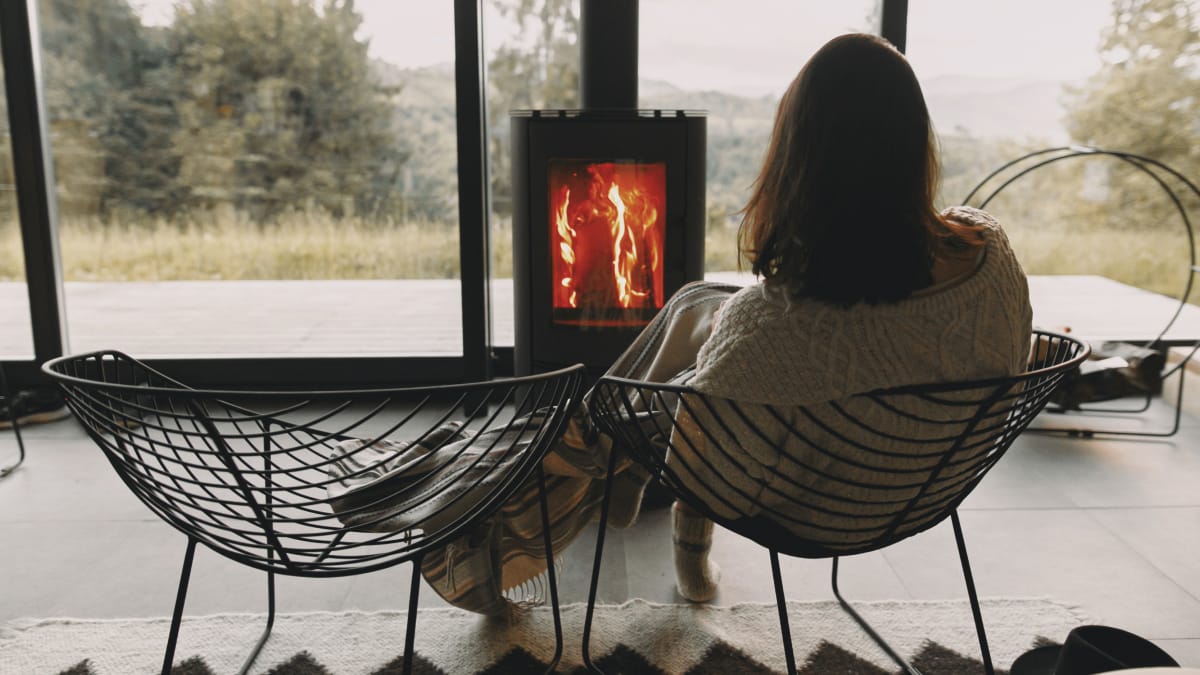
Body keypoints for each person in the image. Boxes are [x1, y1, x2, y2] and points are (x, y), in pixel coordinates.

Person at [328, 32, 1032, 615]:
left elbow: (702, 452)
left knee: (608, 420)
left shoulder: (778, 328)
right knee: (698, 302)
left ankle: (484, 513)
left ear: (802, 160)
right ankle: (543, 460)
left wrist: (654, 410)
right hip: (915, 476)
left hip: (816, 498)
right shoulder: (988, 250)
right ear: (914, 144)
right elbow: (927, 344)